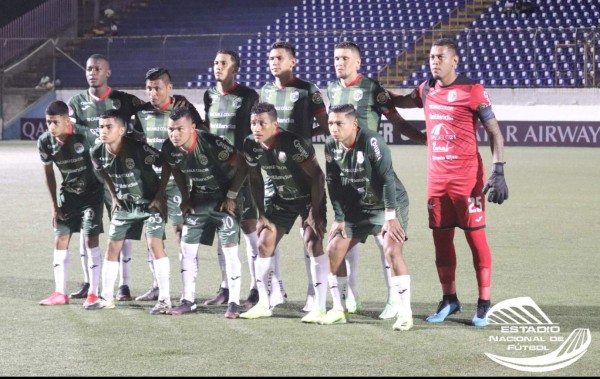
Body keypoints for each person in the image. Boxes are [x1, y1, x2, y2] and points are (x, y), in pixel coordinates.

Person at [390, 38, 509, 327]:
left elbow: (494, 132)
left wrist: (498, 169)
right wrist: (377, 92)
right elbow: (403, 99)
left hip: (468, 180)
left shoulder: (472, 90)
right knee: (441, 242)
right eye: (431, 56)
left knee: (475, 239)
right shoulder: (427, 88)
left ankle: (483, 303)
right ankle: (450, 299)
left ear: (454, 60)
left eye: (440, 57)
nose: (434, 61)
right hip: (437, 181)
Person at [327, 40, 426, 319]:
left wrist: (427, 139)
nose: (340, 62)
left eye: (345, 58)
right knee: (343, 242)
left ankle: (395, 300)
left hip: (375, 171)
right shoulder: (333, 89)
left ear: (358, 62)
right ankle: (350, 299)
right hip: (352, 179)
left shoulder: (372, 89)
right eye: (336, 58)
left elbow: (399, 123)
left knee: (387, 245)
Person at [321, 104, 413, 330]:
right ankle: (339, 309)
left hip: (388, 204)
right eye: (331, 123)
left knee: (391, 251)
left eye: (339, 123)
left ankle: (405, 313)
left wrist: (391, 217)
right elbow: (332, 183)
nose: (333, 128)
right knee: (333, 249)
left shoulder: (372, 141)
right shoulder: (331, 146)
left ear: (354, 124)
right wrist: (339, 216)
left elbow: (388, 179)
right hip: (359, 205)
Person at [239, 102, 328, 323]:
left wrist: (314, 213)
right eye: (253, 123)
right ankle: (263, 304)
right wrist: (262, 214)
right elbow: (255, 177)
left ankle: (320, 305)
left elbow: (317, 177)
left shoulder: (293, 143)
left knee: (312, 242)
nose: (256, 128)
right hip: (281, 198)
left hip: (309, 198)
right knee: (263, 243)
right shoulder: (251, 144)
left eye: (262, 123)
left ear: (275, 124)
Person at [67, 53, 144, 302]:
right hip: (87, 177)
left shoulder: (122, 100)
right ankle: (89, 282)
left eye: (98, 68)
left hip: (118, 177)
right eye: (89, 68)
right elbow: (70, 132)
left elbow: (150, 111)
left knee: (122, 226)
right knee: (86, 229)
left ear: (107, 73)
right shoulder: (76, 102)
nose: (93, 72)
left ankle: (125, 284)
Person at [259, 40, 329, 312]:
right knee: (268, 232)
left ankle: (314, 293)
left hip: (302, 170)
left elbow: (324, 126)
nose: (274, 62)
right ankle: (276, 290)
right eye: (270, 58)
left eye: (279, 58)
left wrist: (298, 140)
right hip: (273, 173)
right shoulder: (265, 90)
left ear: (293, 61)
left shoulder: (308, 90)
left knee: (309, 232)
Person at [160, 108, 249, 318]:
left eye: (180, 129)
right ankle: (187, 300)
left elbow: (243, 166)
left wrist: (231, 196)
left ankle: (234, 302)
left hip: (224, 199)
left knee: (230, 249)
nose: (174, 134)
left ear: (193, 128)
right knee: (186, 247)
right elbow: (177, 171)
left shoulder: (212, 144)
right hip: (199, 199)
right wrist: (186, 197)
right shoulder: (169, 148)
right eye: (171, 129)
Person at [131, 67, 205, 303]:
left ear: (169, 88)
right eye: (149, 88)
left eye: (158, 88)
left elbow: (201, 137)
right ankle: (157, 285)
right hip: (152, 186)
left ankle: (188, 290)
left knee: (181, 233)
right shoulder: (141, 113)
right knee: (152, 237)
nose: (153, 93)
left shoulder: (184, 110)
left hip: (179, 182)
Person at [88, 110, 172, 314]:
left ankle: (165, 299)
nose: (103, 131)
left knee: (154, 244)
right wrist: (114, 196)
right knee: (112, 247)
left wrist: (159, 196)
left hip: (149, 203)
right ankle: (106, 297)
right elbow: (103, 171)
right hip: (125, 205)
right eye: (101, 127)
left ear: (122, 130)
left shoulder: (139, 149)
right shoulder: (97, 151)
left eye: (109, 127)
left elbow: (167, 165)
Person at [203, 50, 260, 309]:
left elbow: (253, 135)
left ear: (235, 68)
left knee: (249, 228)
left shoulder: (248, 96)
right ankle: (225, 287)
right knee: (222, 230)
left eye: (223, 63)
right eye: (215, 63)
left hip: (243, 173)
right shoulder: (209, 95)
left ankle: (256, 288)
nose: (218, 67)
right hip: (216, 174)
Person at [37, 101, 104, 307]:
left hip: (92, 195)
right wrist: (54, 205)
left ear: (67, 120)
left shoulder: (86, 136)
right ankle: (60, 293)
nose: (51, 127)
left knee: (90, 241)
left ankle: (93, 293)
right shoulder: (45, 142)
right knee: (60, 239)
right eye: (48, 122)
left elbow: (104, 163)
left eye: (55, 122)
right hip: (68, 196)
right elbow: (48, 172)